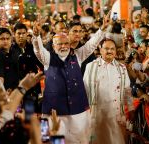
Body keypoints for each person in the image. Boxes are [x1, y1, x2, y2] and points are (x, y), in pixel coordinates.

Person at [32, 14, 109, 143]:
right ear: (53, 46)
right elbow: (38, 50)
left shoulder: (78, 56)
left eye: (66, 43)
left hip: (78, 112)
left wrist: (102, 29)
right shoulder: (47, 58)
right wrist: (36, 37)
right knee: (52, 141)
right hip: (53, 113)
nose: (63, 46)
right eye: (59, 44)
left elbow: (91, 45)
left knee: (81, 140)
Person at [83, 38, 134, 144]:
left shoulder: (122, 68)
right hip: (96, 115)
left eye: (112, 49)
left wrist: (131, 109)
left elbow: (127, 91)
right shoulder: (90, 66)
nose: (109, 51)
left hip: (116, 114)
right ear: (100, 50)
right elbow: (85, 89)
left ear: (116, 51)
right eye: (106, 48)